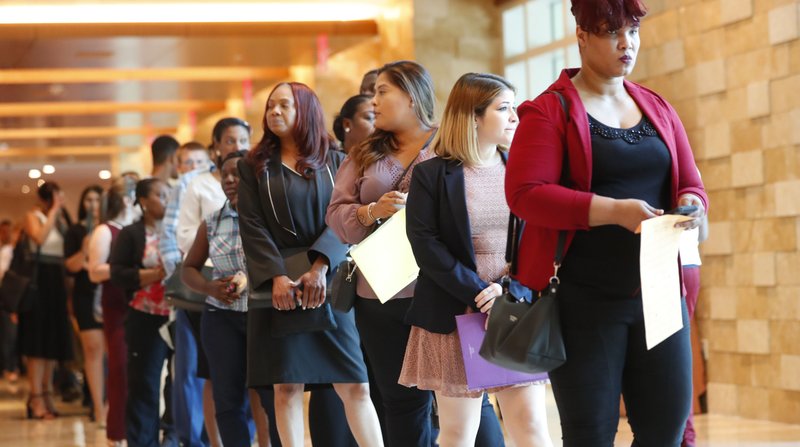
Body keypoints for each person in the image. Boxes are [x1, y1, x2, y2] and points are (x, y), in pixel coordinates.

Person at [504, 0, 708, 444]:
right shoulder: (548, 111)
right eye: (612, 31)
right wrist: (615, 211)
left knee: (665, 431)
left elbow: (692, 183)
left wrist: (691, 205)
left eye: (633, 32)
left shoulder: (657, 107)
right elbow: (525, 195)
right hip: (584, 299)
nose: (626, 43)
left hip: (659, 293)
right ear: (582, 37)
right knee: (591, 433)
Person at [326, 60, 504, 447]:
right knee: (401, 403)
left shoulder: (449, 145)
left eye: (382, 91)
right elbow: (336, 216)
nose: (373, 101)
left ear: (411, 95)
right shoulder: (363, 154)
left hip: (447, 291)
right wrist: (372, 211)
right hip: (383, 294)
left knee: (473, 395)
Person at [401, 72, 553, 447]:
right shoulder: (431, 174)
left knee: (532, 425)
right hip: (455, 314)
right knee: (457, 433)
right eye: (504, 109)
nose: (515, 117)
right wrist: (478, 291)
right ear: (472, 116)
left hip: (514, 308)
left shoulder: (521, 168)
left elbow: (538, 237)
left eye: (514, 107)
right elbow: (424, 243)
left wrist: (505, 290)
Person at [238, 81, 383, 447]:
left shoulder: (338, 160)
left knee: (355, 383)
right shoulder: (253, 166)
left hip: (331, 280)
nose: (275, 112)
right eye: (271, 106)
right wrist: (275, 277)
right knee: (286, 386)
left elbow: (348, 216)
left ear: (307, 110)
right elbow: (252, 226)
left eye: (285, 105)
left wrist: (320, 265)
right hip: (279, 286)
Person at [183, 150, 279, 447]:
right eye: (224, 175)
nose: (229, 180)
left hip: (264, 314)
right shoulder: (212, 222)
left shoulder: (271, 216)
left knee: (271, 395)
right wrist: (210, 288)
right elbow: (189, 269)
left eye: (236, 173)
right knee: (227, 398)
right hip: (221, 318)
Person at [109, 178, 171, 447]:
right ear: (143, 201)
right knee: (144, 383)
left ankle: (174, 436)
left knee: (180, 383)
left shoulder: (179, 229)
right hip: (144, 316)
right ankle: (143, 442)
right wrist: (155, 274)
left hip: (179, 315)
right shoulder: (131, 233)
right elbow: (118, 273)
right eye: (160, 195)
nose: (166, 200)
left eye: (169, 194)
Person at [88, 173, 140, 446]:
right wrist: (131, 270)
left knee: (138, 370)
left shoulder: (138, 227)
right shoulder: (105, 230)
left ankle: (135, 430)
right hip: (116, 304)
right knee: (119, 367)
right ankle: (116, 433)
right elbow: (94, 272)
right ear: (127, 198)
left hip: (139, 303)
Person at [19, 181, 73, 419]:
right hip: (38, 282)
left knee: (52, 344)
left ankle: (48, 392)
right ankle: (36, 397)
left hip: (56, 282)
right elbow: (39, 238)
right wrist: (51, 212)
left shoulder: (62, 221)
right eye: (54, 198)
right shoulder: (33, 216)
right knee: (37, 344)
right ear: (44, 200)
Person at [64, 185, 105, 426]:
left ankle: (112, 405)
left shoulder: (110, 229)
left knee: (114, 352)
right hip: (85, 294)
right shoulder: (76, 231)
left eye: (97, 199)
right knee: (92, 350)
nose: (93, 204)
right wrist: (84, 248)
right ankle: (97, 407)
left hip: (109, 293)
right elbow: (70, 266)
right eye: (88, 199)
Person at [679, 213, 708, 447]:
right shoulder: (693, 174)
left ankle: (684, 437)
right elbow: (703, 233)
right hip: (689, 263)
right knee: (679, 356)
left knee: (665, 361)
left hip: (660, 266)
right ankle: (687, 438)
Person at [0, 220, 19, 384]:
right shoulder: (6, 251)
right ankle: (8, 367)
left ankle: (11, 366)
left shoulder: (12, 251)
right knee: (8, 335)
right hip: (6, 298)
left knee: (10, 334)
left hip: (10, 298)